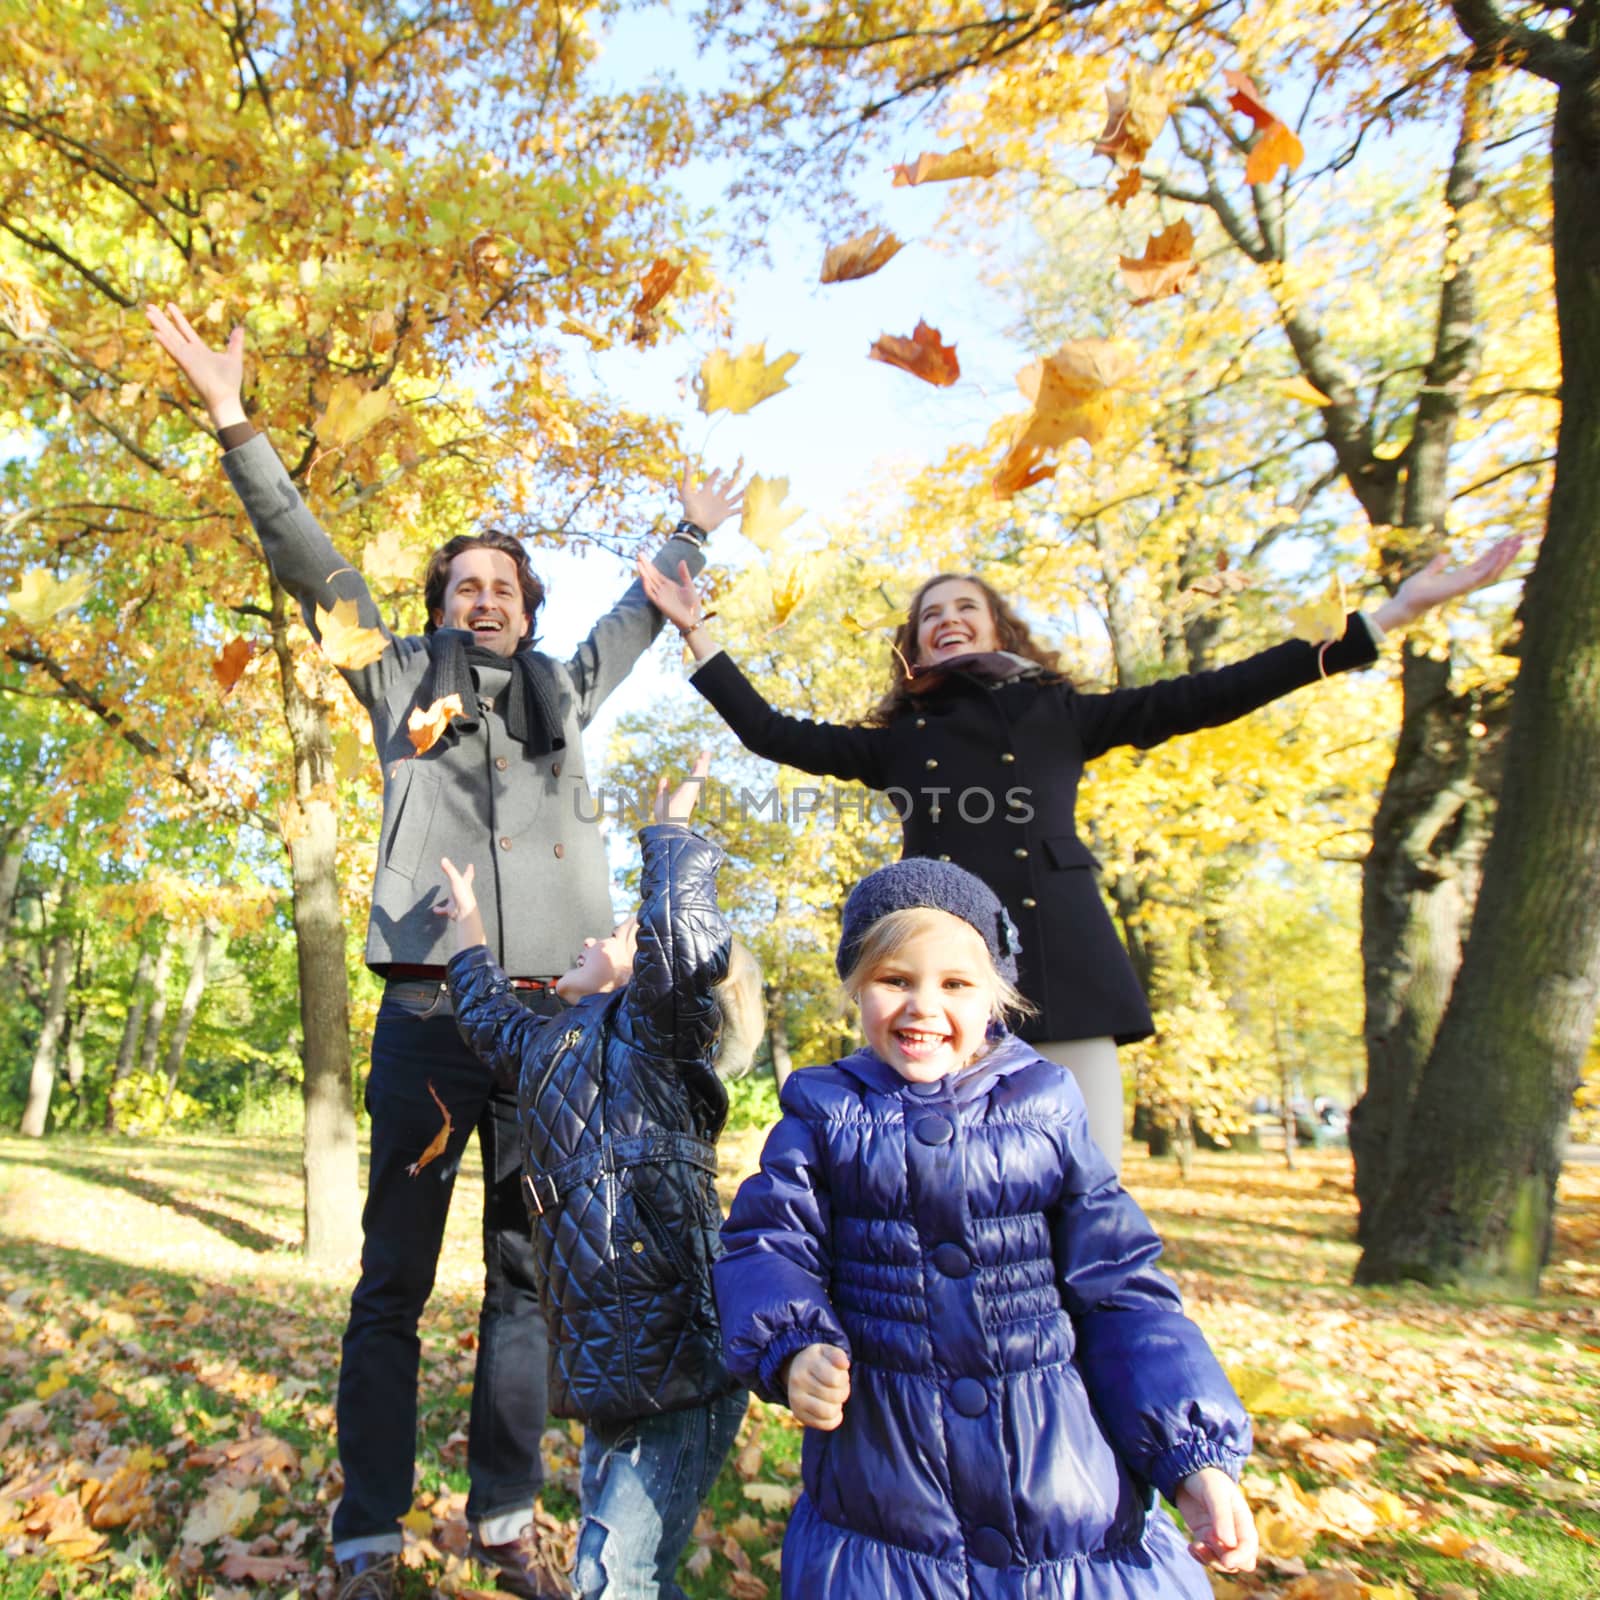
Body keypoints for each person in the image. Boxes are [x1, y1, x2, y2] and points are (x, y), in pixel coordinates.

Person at [145, 303, 743, 1600]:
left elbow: (645, 614)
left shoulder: (565, 697)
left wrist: (690, 529)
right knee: (391, 1287)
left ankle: (501, 1516)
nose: (485, 597)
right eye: (465, 583)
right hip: (429, 1018)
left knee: (527, 1282)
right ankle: (367, 1533)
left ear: (528, 610)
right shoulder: (398, 684)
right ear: (437, 609)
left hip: (554, 1032)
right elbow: (311, 564)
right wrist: (236, 422)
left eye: (505, 585)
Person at [637, 538, 1521, 1167]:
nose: (946, 620)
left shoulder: (1063, 712)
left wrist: (1389, 616)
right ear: (913, 650)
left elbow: (1216, 691)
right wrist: (693, 632)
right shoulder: (897, 739)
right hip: (947, 983)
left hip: (1067, 960)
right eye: (930, 615)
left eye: (964, 608)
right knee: (957, 1178)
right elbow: (769, 731)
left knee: (1091, 1182)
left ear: (999, 629)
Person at [713, 858, 1257, 1599]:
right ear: (855, 988)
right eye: (895, 980)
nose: (922, 1007)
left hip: (1064, 1494)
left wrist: (1191, 1460)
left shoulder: (1046, 1105)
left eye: (955, 985)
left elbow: (1121, 1291)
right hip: (889, 1501)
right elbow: (767, 1244)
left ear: (995, 996)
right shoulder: (822, 1110)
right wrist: (792, 1341)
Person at [436, 753, 760, 1600]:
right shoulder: (550, 1044)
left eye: (612, 936)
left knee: (610, 1579)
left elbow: (680, 948)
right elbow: (484, 1014)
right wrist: (467, 922)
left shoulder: (656, 1034)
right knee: (627, 1572)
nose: (589, 937)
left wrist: (672, 836)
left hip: (681, 1359)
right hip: (606, 1364)